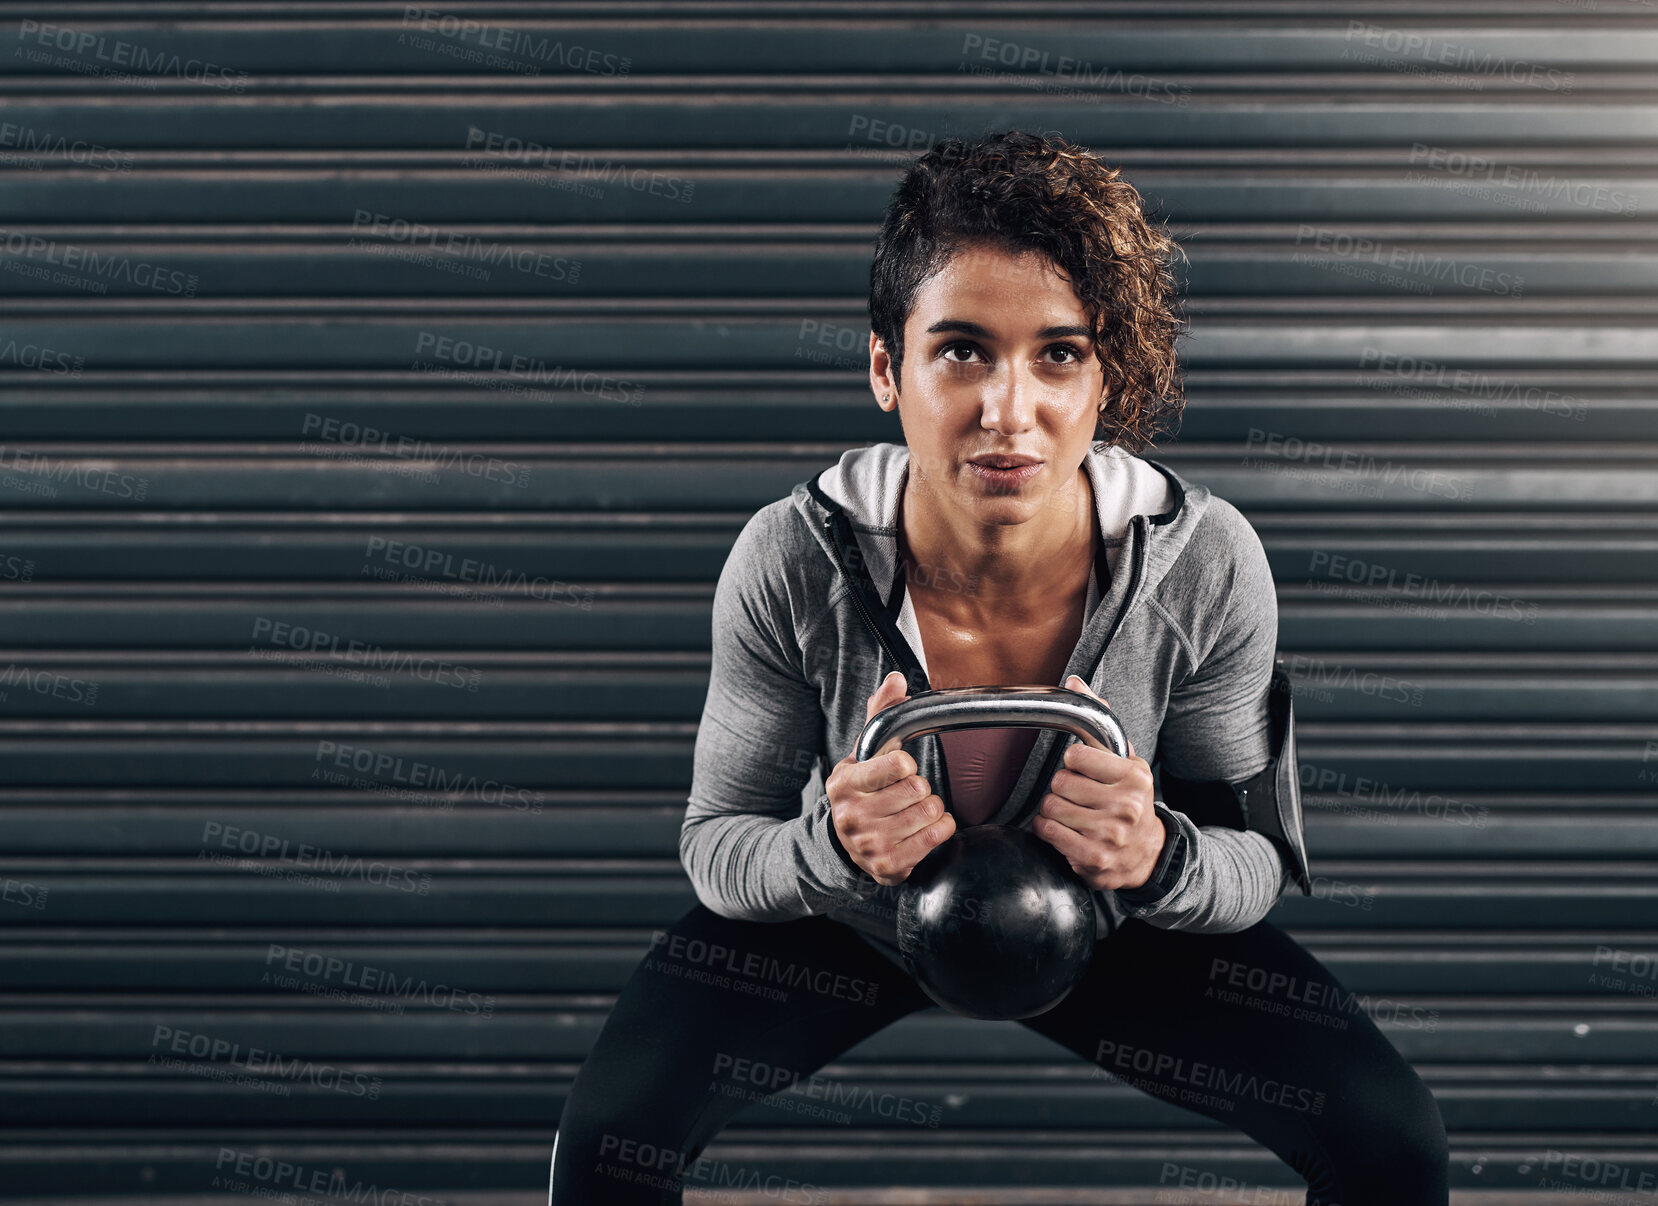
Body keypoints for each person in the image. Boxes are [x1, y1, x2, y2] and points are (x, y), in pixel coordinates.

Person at [548, 129, 1449, 1206]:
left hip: (1106, 919)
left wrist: (1157, 856)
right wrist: (827, 845)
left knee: (1390, 1140)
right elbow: (714, 845)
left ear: (1102, 376)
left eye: (1057, 354)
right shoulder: (789, 555)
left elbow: (1252, 866)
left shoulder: (1203, 561)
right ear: (887, 368)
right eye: (960, 350)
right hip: (851, 915)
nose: (1006, 410)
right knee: (607, 1145)